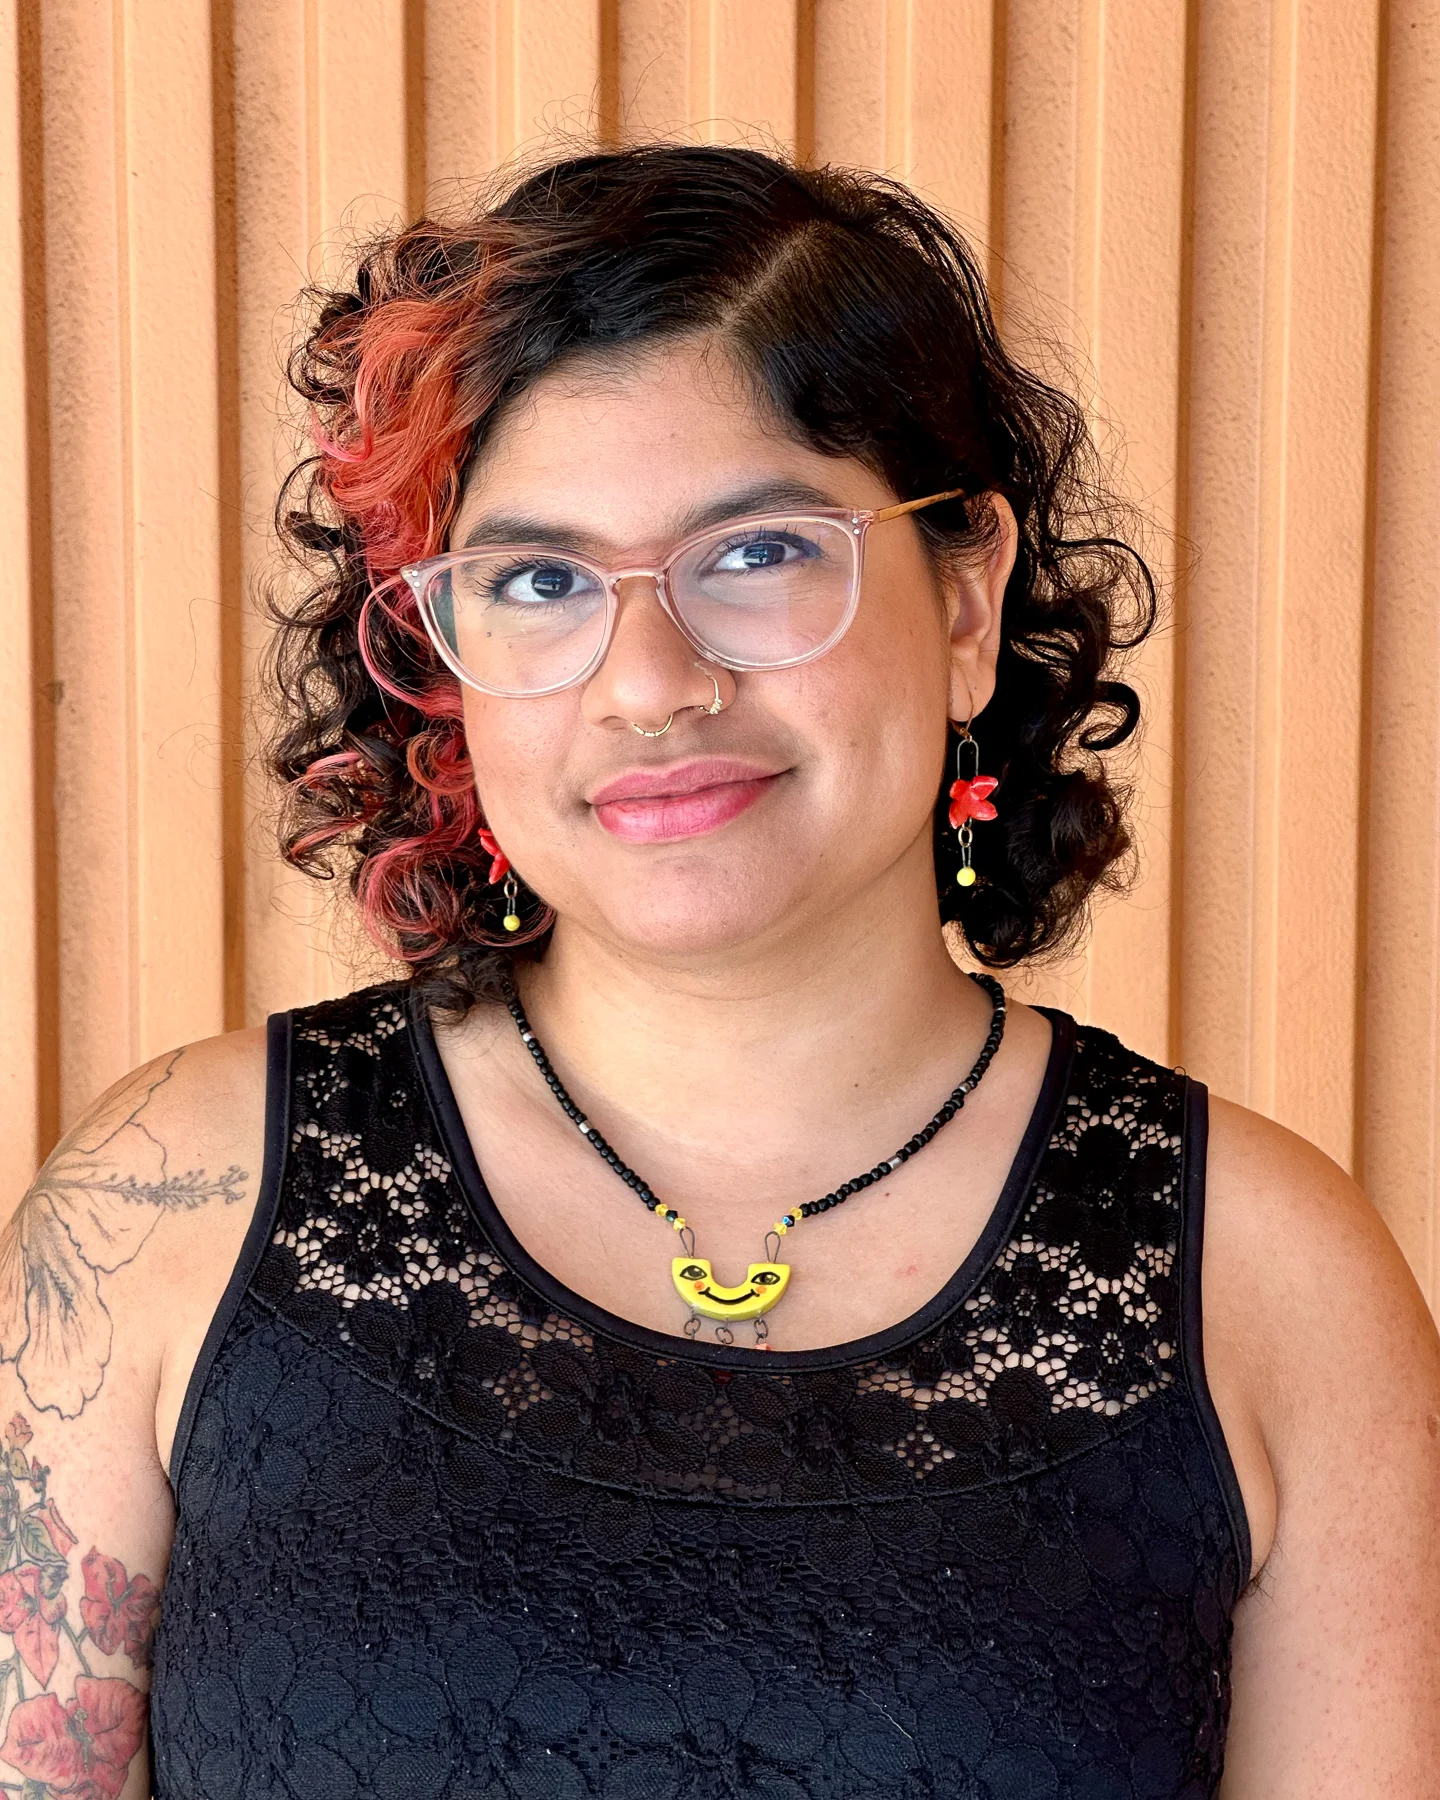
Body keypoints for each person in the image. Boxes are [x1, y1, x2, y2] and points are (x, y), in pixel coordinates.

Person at [5, 145, 1438, 1800]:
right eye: (539, 583)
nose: (651, 684)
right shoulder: (168, 1204)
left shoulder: (1276, 1286)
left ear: (966, 597)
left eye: (756, 555)